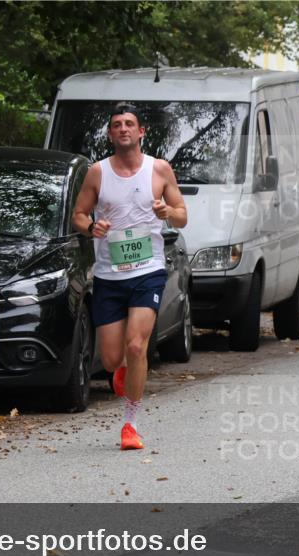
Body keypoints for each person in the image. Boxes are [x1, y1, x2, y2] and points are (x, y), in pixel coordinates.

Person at [72, 102, 188, 450]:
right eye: (117, 125)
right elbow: (78, 214)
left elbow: (182, 215)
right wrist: (92, 227)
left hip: (148, 271)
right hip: (109, 275)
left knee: (137, 346)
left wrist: (168, 211)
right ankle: (123, 371)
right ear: (110, 134)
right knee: (110, 359)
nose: (123, 129)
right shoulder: (97, 173)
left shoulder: (159, 169)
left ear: (141, 132)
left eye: (129, 124)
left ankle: (130, 424)